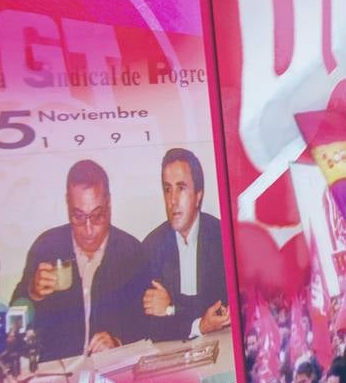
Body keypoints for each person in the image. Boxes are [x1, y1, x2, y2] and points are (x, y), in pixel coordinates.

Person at [12, 160, 147, 361]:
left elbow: (146, 322)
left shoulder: (131, 252)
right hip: (57, 377)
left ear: (109, 204)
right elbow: (14, 323)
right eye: (79, 216)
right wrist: (32, 292)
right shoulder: (47, 247)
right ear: (68, 204)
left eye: (97, 215)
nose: (89, 229)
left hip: (112, 372)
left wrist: (118, 342)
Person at [139, 148, 230, 342]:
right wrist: (200, 323)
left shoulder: (222, 238)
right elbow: (150, 325)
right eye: (168, 189)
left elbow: (221, 309)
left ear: (198, 196)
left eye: (181, 188)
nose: (173, 200)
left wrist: (170, 307)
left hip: (222, 344)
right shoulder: (152, 247)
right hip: (172, 351)